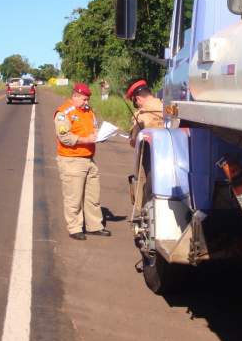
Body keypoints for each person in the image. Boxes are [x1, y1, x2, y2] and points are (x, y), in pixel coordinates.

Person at [54, 83, 111, 240]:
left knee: (93, 196)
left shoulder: (88, 111)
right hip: (72, 159)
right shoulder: (64, 113)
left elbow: (94, 128)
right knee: (74, 197)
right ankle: (75, 228)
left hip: (89, 158)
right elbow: (64, 137)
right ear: (75, 96)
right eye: (84, 99)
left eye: (88, 100)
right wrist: (86, 140)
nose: (87, 103)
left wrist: (99, 135)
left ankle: (95, 226)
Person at [125, 79, 164, 147]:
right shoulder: (169, 108)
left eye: (135, 104)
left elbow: (133, 143)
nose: (137, 106)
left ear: (138, 99)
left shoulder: (140, 116)